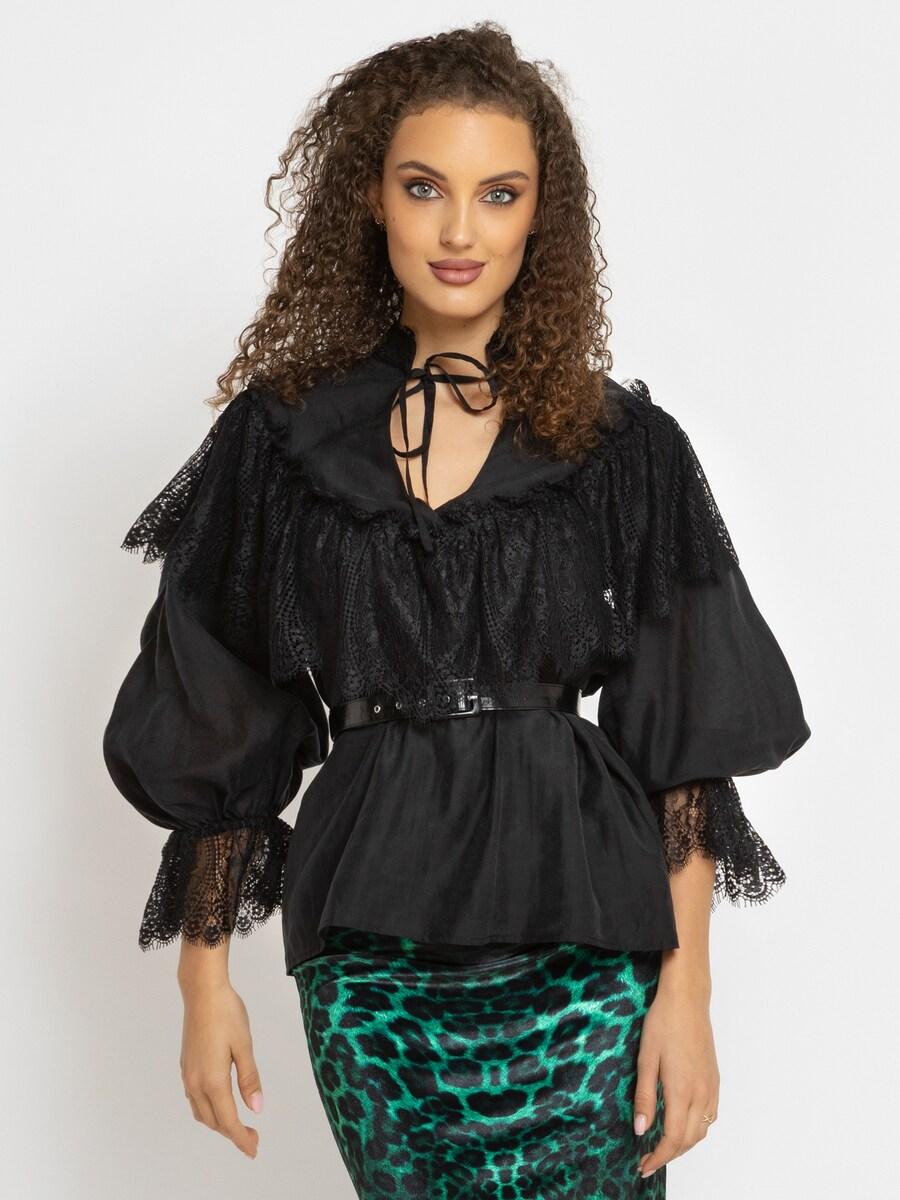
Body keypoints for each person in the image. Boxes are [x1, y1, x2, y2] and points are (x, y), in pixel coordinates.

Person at [101, 21, 811, 1198]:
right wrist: (202, 983)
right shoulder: (280, 442)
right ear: (370, 197)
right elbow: (217, 719)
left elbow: (687, 744)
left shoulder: (625, 446)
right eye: (425, 187)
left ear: (541, 216)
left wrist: (687, 995)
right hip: (368, 956)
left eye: (499, 193)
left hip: (588, 946)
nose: (460, 231)